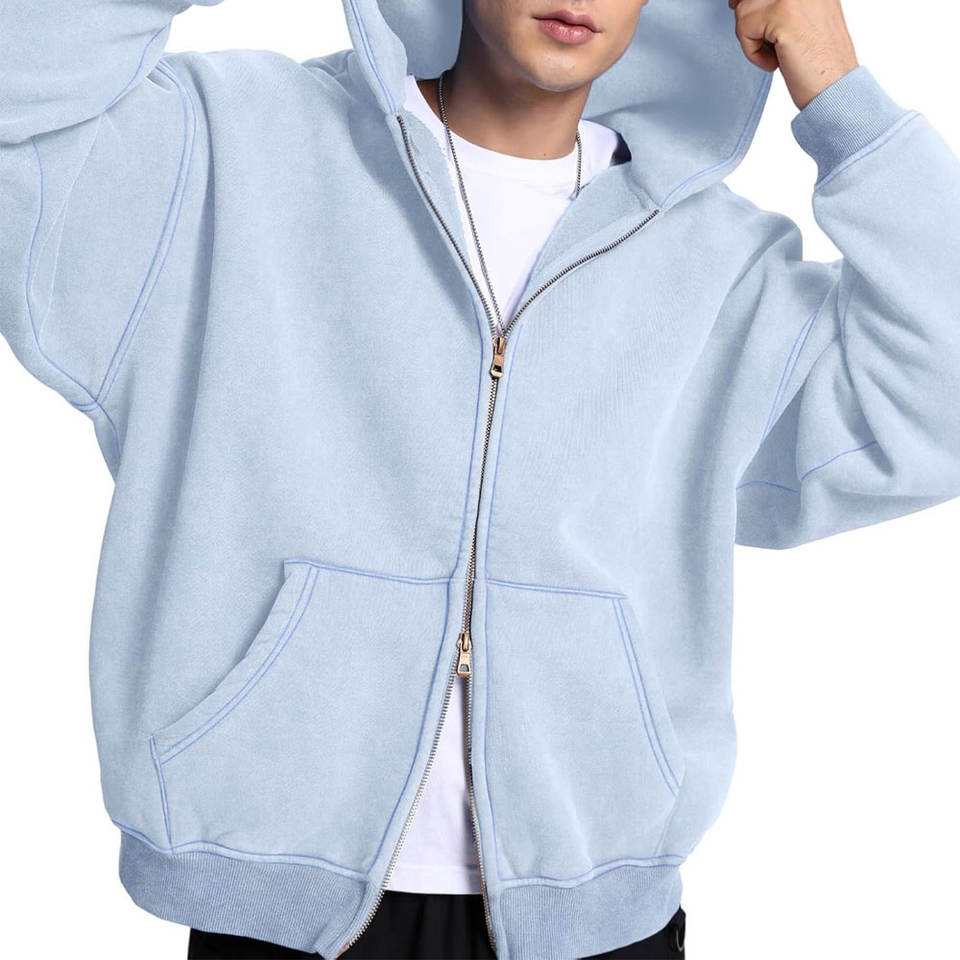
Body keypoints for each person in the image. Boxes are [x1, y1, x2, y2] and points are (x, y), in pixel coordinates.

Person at [2, 0, 959, 957]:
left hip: (596, 921)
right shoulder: (228, 151)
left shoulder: (722, 272)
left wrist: (843, 99)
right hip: (270, 903)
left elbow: (941, 395)